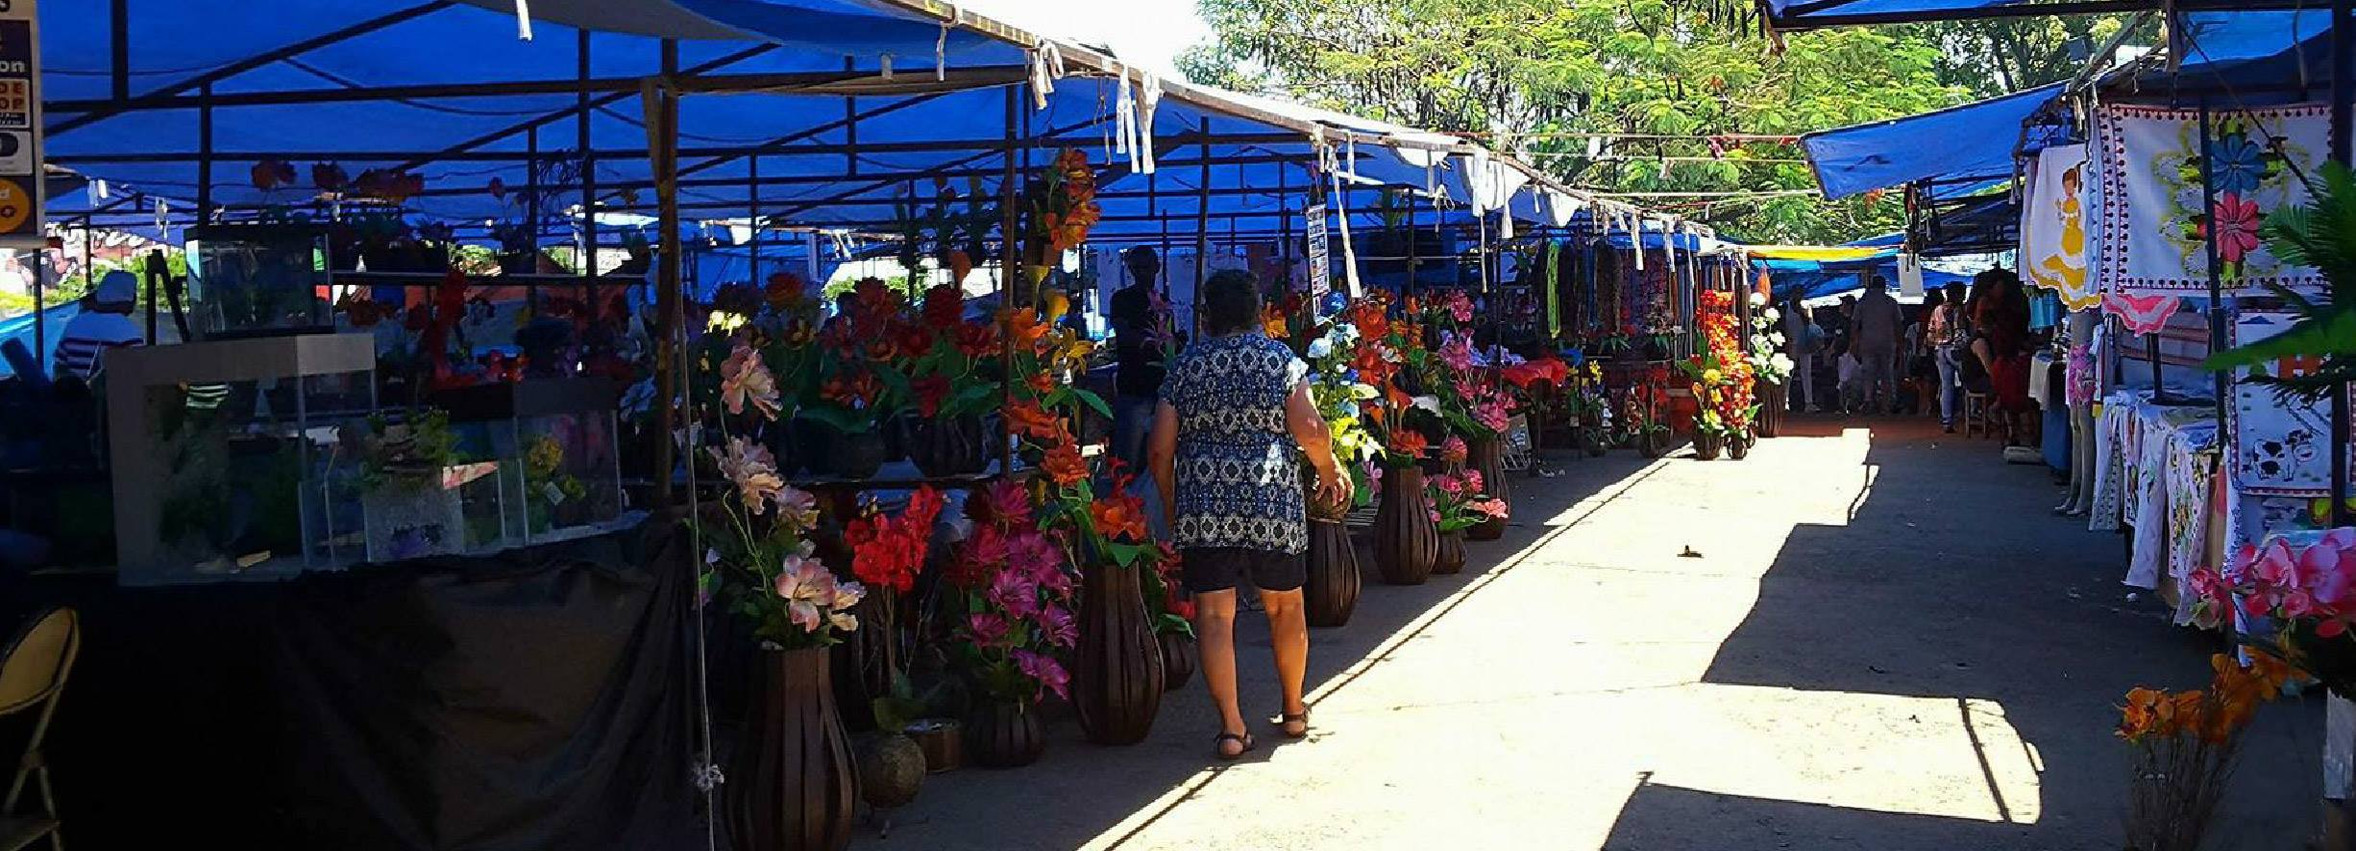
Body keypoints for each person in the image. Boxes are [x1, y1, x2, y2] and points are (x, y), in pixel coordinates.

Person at [1148, 269, 1347, 761]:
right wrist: (1328, 467)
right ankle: (1295, 709)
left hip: (1204, 504)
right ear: (1258, 309)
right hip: (1270, 503)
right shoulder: (1280, 360)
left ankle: (1233, 729)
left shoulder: (1187, 366)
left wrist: (1175, 502)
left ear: (1209, 315)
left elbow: (1158, 450)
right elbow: (1310, 428)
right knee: (1286, 607)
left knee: (1215, 616)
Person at [1109, 247, 1169, 474]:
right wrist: (1152, 341)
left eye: (1146, 267)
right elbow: (1123, 332)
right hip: (1133, 387)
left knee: (1157, 457)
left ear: (1157, 268)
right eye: (1137, 268)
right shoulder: (1122, 299)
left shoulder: (1163, 301)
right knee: (1128, 459)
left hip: (1161, 389)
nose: (1142, 273)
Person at [53, 269, 143, 382]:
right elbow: (136, 373)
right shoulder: (129, 332)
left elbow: (59, 367)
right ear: (129, 298)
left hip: (73, 396)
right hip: (110, 398)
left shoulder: (74, 324)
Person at [1849, 277, 1903, 415]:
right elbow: (1898, 324)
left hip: (1867, 342)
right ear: (1884, 286)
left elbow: (1855, 323)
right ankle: (1886, 404)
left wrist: (1854, 342)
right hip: (1887, 342)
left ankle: (1868, 400)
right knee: (1887, 374)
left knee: (1868, 373)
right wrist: (1900, 344)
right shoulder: (1891, 302)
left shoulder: (1863, 302)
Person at [1925, 282, 1970, 432]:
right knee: (1967, 383)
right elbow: (1960, 330)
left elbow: (1930, 332)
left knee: (1946, 386)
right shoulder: (1958, 309)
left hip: (1939, 350)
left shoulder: (1937, 310)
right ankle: (1968, 415)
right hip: (1954, 350)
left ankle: (1947, 421)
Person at [1783, 300, 1823, 414]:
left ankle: (1808, 402)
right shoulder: (1788, 308)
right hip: (1794, 343)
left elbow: (1810, 323)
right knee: (1789, 373)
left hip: (1804, 344)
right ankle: (1785, 401)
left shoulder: (1804, 306)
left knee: (1804, 373)